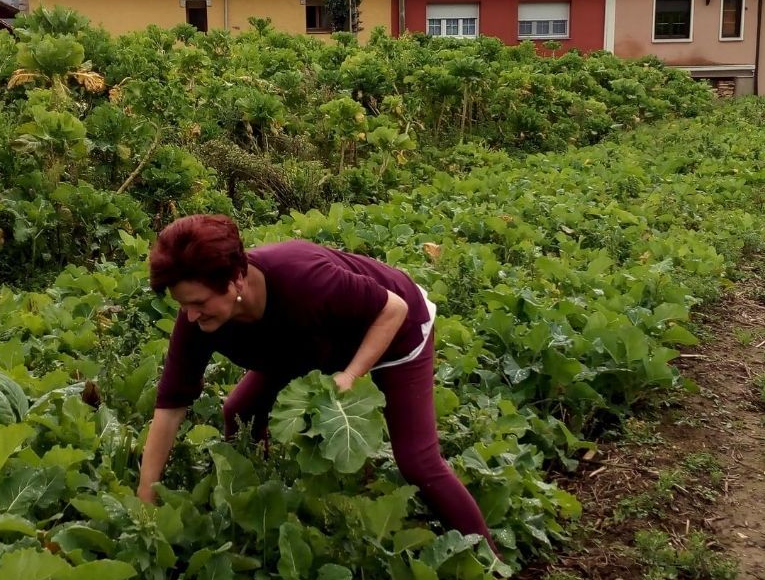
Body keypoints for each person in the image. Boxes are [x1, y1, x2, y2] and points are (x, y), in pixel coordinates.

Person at [136, 214, 497, 553]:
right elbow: (170, 407)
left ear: (237, 280)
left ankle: (488, 562)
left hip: (391, 330)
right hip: (304, 345)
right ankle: (256, 509)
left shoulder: (303, 278)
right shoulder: (196, 321)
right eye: (183, 305)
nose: (191, 314)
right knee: (239, 412)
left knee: (417, 461)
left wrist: (351, 375)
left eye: (199, 303)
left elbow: (394, 309)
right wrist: (145, 495)